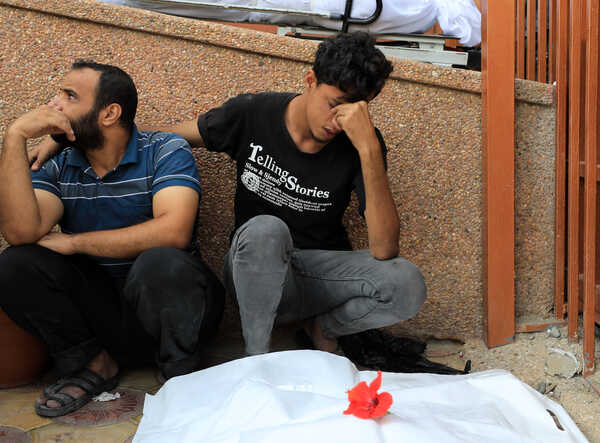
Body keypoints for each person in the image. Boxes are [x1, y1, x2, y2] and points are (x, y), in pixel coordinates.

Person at [30, 32, 427, 357]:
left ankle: (324, 329)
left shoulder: (361, 143)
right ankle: (257, 361)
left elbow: (383, 250)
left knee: (407, 281)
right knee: (266, 230)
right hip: (253, 266)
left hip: (317, 275)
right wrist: (70, 142)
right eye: (335, 105)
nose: (339, 122)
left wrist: (369, 149)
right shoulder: (254, 113)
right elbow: (157, 138)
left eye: (356, 111)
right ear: (310, 81)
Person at [0, 60, 225, 417]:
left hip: (173, 313)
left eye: (69, 96)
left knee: (162, 260)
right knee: (15, 262)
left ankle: (180, 373)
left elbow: (174, 230)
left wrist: (75, 243)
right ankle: (93, 364)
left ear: (109, 113)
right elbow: (21, 232)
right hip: (104, 317)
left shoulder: (164, 150)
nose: (54, 104)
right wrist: (15, 137)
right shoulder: (60, 163)